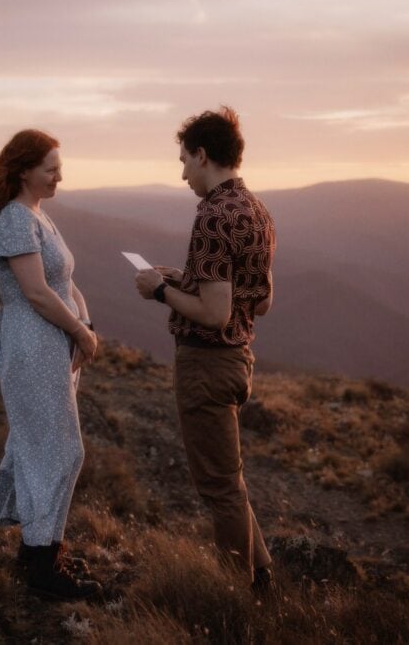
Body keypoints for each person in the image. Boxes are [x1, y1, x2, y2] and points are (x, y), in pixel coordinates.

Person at [135, 107, 277, 593]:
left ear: (202, 155)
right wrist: (183, 279)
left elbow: (215, 315)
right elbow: (259, 302)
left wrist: (158, 292)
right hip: (239, 361)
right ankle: (261, 578)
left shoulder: (214, 215)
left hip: (207, 363)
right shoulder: (255, 210)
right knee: (229, 482)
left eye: (184, 161)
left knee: (218, 488)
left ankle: (237, 594)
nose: (182, 173)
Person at [0, 129, 100, 601]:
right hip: (32, 344)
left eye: (59, 166)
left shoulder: (37, 215)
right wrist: (78, 331)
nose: (58, 175)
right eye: (50, 168)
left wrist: (85, 320)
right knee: (56, 450)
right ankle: (41, 563)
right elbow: (34, 292)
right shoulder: (15, 219)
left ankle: (40, 553)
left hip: (51, 344)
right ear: (24, 170)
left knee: (48, 446)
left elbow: (64, 280)